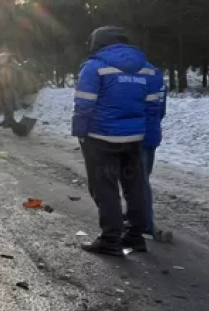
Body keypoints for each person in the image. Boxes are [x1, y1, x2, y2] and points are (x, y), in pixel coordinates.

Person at [72, 26, 158, 255]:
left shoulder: (94, 67)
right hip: (134, 138)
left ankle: (111, 240)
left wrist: (80, 131)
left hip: (101, 137)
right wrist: (147, 135)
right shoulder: (147, 69)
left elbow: (84, 104)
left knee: (105, 187)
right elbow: (153, 107)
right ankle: (135, 236)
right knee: (135, 186)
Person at [142, 68, 173, 242]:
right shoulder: (156, 74)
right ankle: (139, 217)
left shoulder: (128, 73)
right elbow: (161, 109)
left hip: (133, 133)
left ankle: (144, 223)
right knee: (143, 178)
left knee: (136, 182)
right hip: (151, 132)